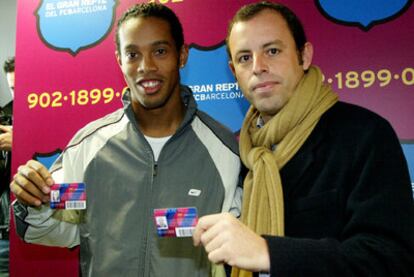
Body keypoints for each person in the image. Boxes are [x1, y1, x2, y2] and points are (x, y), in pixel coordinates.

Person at [10, 3, 242, 276]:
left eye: (160, 51)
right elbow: (54, 228)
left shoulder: (226, 152)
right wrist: (34, 200)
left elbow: (242, 246)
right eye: (133, 54)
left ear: (182, 55)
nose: (146, 66)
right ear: (120, 60)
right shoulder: (90, 148)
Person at [193, 2, 414, 276]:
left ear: (304, 55)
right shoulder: (242, 154)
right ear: (233, 70)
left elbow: (389, 259)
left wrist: (266, 252)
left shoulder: (365, 135)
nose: (258, 67)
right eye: (244, 58)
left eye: (272, 51)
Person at [0, 56, 14, 277]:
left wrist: (22, 143)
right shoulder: (5, 118)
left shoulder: (56, 118)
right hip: (4, 234)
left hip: (51, 231)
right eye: (12, 88)